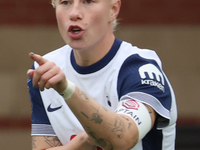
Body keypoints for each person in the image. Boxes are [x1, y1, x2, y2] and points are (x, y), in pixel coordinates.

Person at [27, 0, 177, 150]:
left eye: (88, 1)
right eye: (65, 2)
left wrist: (67, 90)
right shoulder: (46, 67)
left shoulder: (140, 69)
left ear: (113, 9)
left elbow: (123, 139)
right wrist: (84, 141)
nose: (74, 13)